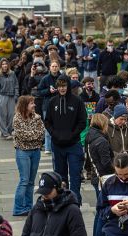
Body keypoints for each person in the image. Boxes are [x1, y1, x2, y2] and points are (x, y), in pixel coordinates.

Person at [44, 75, 87, 205]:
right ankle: (62, 201)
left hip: (73, 144)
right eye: (59, 86)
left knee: (75, 175)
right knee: (60, 176)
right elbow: (47, 121)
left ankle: (74, 202)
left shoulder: (77, 101)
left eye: (64, 86)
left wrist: (73, 134)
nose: (62, 88)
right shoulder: (52, 102)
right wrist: (54, 134)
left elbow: (82, 121)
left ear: (68, 86)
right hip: (58, 145)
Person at [21, 172, 88, 236]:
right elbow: (25, 235)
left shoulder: (72, 211)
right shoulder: (36, 208)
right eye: (42, 192)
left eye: (48, 191)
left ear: (58, 189)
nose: (44, 195)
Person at [12, 96, 44, 216]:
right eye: (31, 103)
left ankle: (28, 207)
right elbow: (22, 136)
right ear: (25, 105)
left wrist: (32, 135)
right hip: (23, 152)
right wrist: (34, 135)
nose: (34, 105)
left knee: (31, 182)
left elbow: (42, 133)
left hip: (35, 151)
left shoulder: (37, 117)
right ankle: (18, 208)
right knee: (24, 180)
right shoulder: (17, 119)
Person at [85, 113, 114, 236]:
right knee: (103, 213)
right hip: (104, 178)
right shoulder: (101, 141)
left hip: (96, 177)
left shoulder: (90, 136)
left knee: (99, 211)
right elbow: (106, 163)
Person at [37, 60, 61, 154]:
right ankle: (47, 147)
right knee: (48, 126)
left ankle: (58, 145)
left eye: (56, 66)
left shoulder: (62, 77)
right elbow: (39, 91)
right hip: (47, 105)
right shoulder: (45, 78)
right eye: (53, 66)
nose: (54, 68)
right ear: (50, 67)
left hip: (60, 103)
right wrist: (48, 91)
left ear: (59, 67)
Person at [0, 58, 19, 139]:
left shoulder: (12, 74)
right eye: (3, 64)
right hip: (2, 96)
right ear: (0, 65)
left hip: (11, 97)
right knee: (2, 115)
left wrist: (16, 96)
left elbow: (16, 85)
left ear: (8, 65)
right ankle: (4, 133)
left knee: (11, 115)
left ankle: (8, 132)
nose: (4, 65)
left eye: (6, 64)